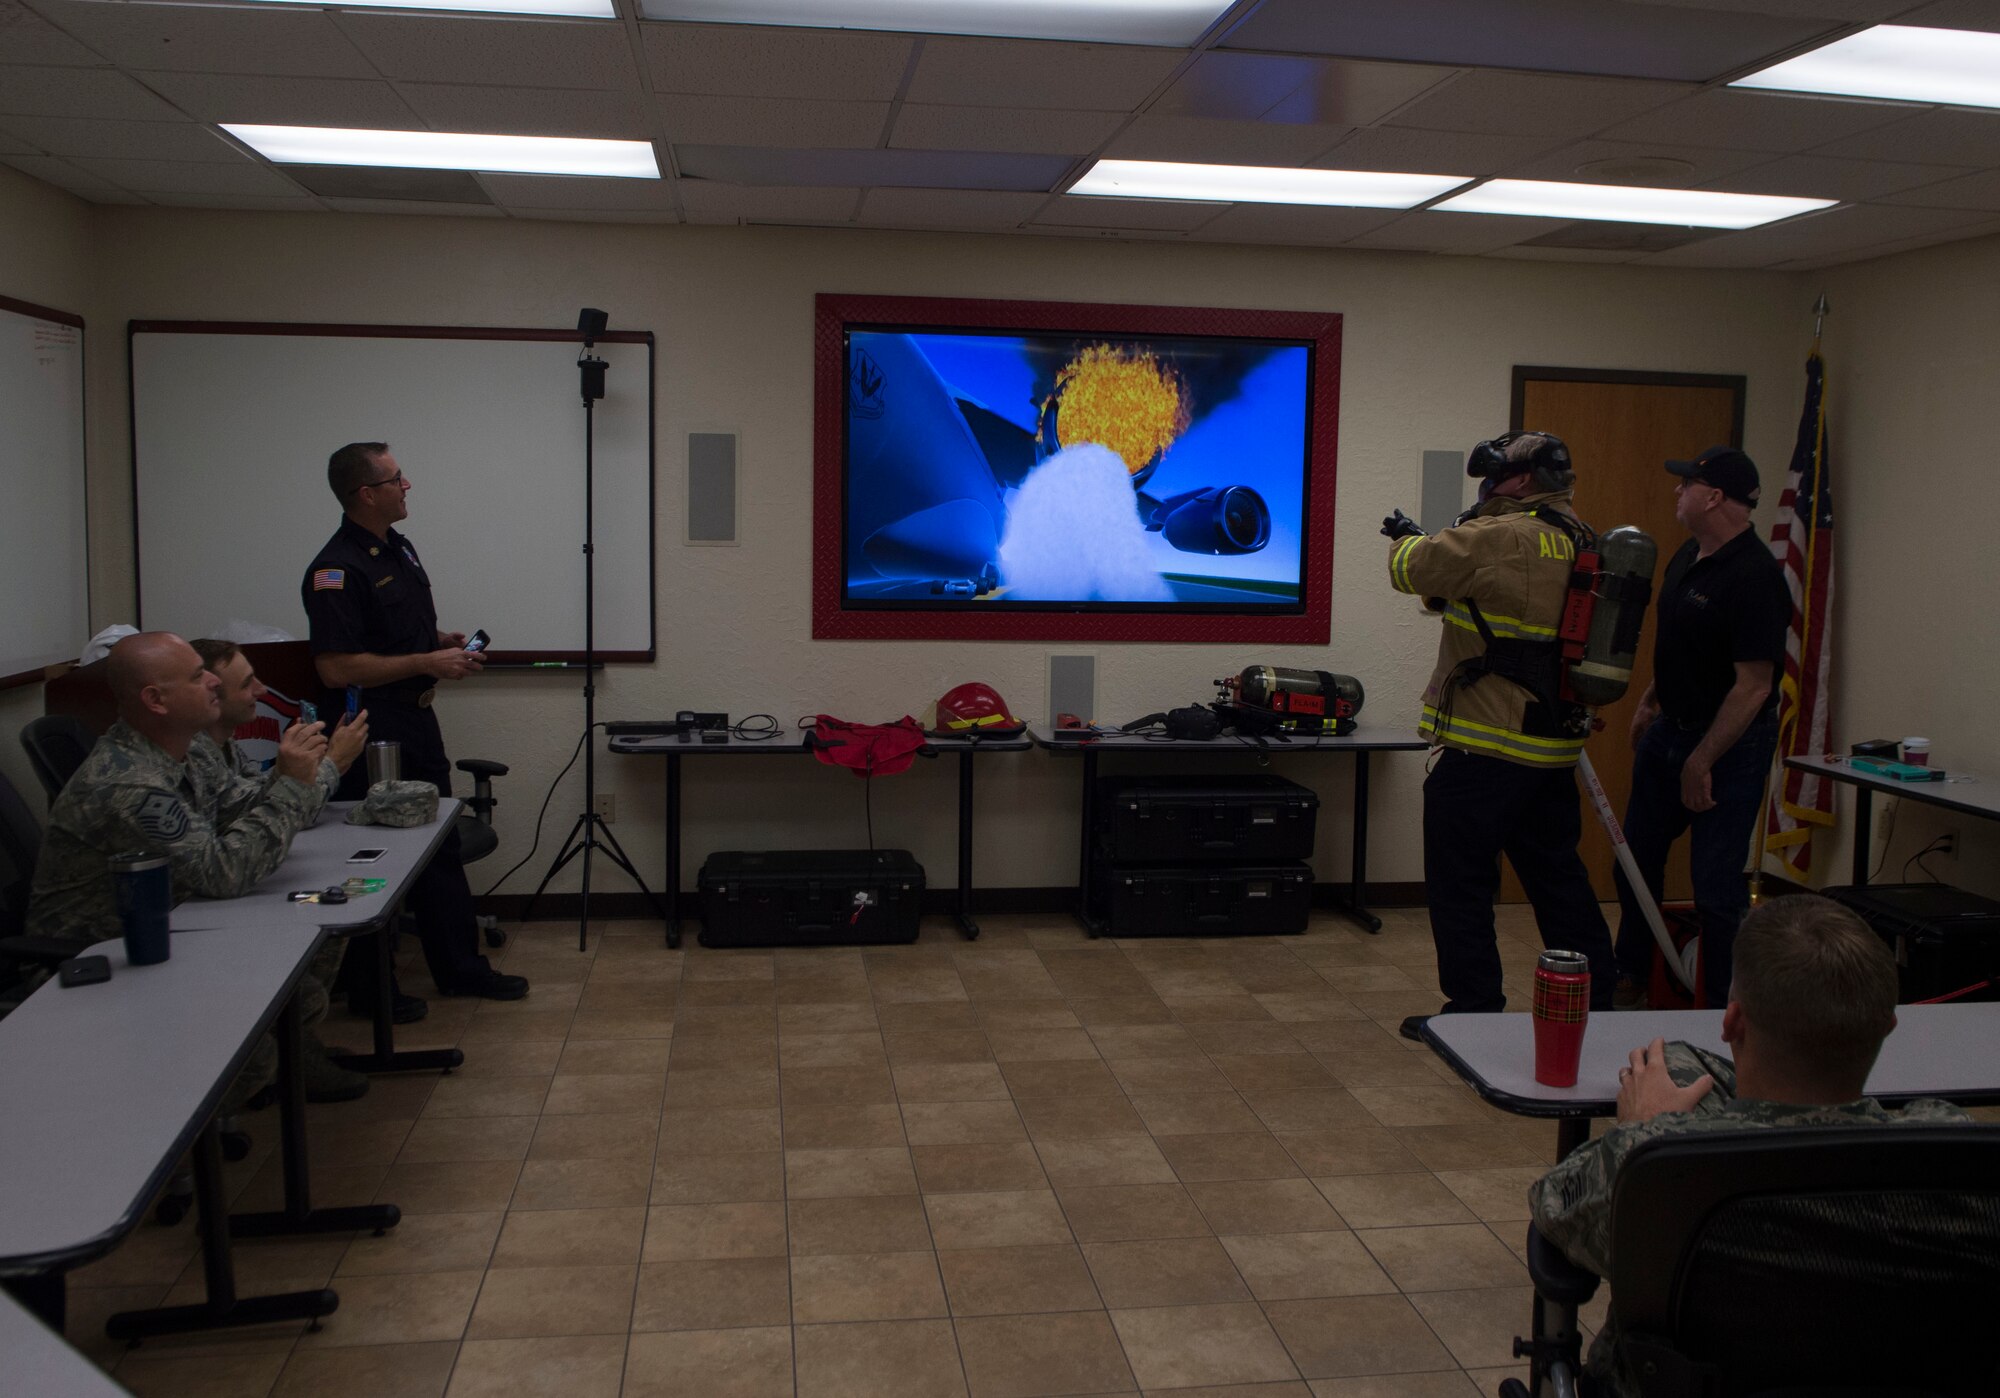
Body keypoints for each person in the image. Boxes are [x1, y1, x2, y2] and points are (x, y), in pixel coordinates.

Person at [1530, 894, 1967, 1395]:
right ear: (1887, 1027)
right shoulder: (1954, 1154)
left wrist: (1646, 1132)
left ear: (1732, 1021)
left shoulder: (1667, 1172)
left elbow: (1554, 1208)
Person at [22, 632, 333, 1108]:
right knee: (265, 1043)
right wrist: (293, 784)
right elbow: (224, 871)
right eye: (197, 676)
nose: (214, 682)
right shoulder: (130, 782)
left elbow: (237, 810)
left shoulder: (180, 751)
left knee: (309, 965)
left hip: (174, 928)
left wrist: (297, 774)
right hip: (106, 960)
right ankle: (162, 1152)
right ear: (156, 700)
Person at [1384, 431, 1616, 1041]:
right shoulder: (1579, 536)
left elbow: (1411, 569)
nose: (1486, 485)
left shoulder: (1500, 535)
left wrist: (1410, 538)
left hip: (1487, 745)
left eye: (1495, 475)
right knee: (1558, 880)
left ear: (1522, 479)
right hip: (1550, 748)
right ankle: (1602, 1002)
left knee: (1460, 882)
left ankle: (1473, 1009)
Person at [301, 442, 527, 1013]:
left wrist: (437, 643)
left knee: (437, 846)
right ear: (366, 494)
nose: (408, 486)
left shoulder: (396, 549)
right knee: (373, 857)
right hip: (370, 728)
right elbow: (335, 666)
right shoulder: (336, 569)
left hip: (417, 718)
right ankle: (371, 991)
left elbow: (393, 635)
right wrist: (425, 662)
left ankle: (460, 969)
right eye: (397, 478)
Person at [1612, 446, 1789, 1009]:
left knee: (1715, 887)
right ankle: (1632, 975)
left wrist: (1702, 760)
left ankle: (1719, 1010)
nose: (1676, 491)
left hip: (1730, 747)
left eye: (1685, 483)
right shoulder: (1688, 553)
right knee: (1635, 861)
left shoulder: (1757, 577)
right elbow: (1678, 645)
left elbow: (1755, 685)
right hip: (1673, 729)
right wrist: (1648, 702)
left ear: (1713, 496)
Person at [190, 637, 372, 1102]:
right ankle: (280, 1059)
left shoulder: (219, 747)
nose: (262, 690)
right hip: (189, 919)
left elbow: (265, 808)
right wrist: (332, 764)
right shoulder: (185, 756)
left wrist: (308, 770)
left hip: (217, 901)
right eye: (247, 683)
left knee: (336, 900)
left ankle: (300, 1049)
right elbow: (227, 866)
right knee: (321, 920)